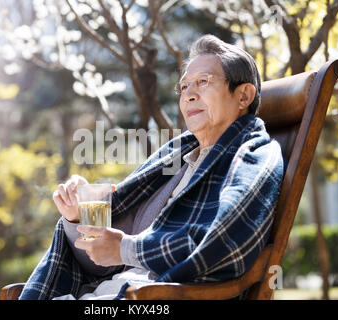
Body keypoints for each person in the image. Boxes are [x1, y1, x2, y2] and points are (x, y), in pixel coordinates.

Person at [19, 34, 285, 300]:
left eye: (203, 82)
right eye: (183, 87)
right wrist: (78, 218)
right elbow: (99, 263)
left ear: (243, 95)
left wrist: (126, 248)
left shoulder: (255, 154)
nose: (189, 95)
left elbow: (224, 242)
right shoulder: (174, 159)